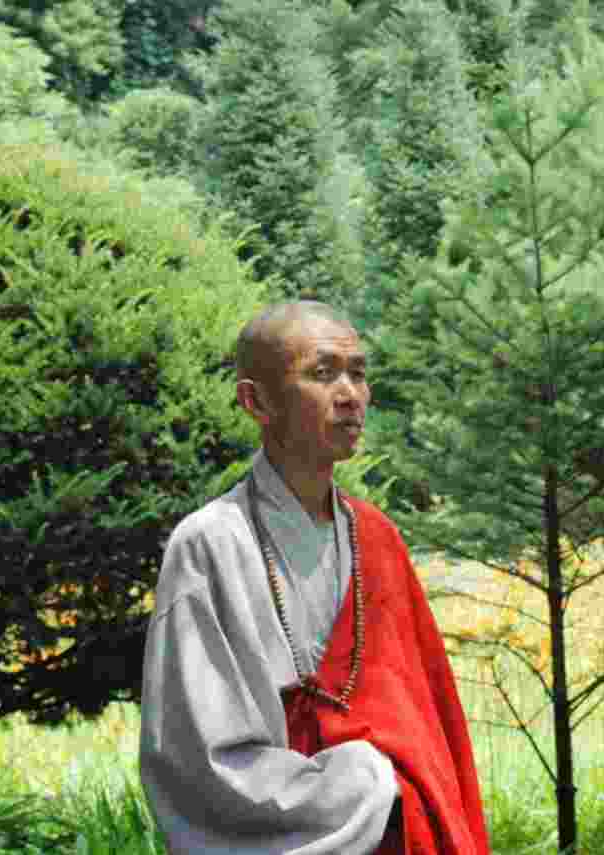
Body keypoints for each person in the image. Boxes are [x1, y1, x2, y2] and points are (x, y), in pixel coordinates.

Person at [139, 301, 490, 854]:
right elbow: (197, 760)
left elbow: (429, 725)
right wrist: (358, 782)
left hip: (394, 832)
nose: (350, 394)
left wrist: (391, 787)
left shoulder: (377, 539)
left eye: (358, 372)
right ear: (257, 401)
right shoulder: (210, 543)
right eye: (323, 373)